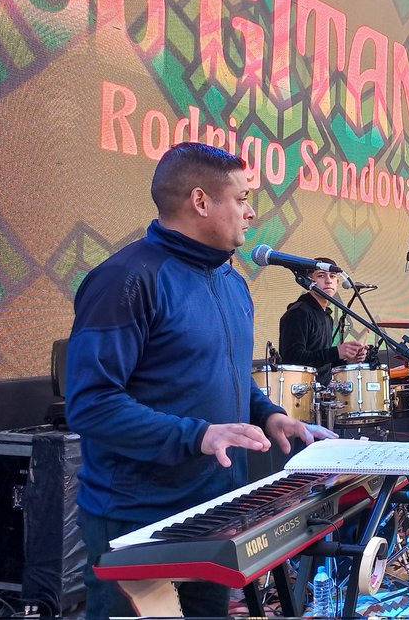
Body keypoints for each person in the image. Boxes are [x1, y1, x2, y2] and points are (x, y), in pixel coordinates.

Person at [65, 143, 335, 619]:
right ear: (200, 201)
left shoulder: (232, 283)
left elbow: (227, 375)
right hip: (138, 517)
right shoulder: (125, 280)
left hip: (214, 508)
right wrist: (199, 435)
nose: (252, 212)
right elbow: (91, 405)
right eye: (242, 197)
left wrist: (268, 414)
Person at [278, 259, 370, 385]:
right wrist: (336, 352)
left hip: (322, 392)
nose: (328, 281)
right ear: (308, 281)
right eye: (321, 275)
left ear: (337, 282)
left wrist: (348, 358)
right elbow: (292, 360)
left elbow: (322, 361)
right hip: (300, 394)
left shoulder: (327, 316)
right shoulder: (298, 313)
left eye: (332, 276)